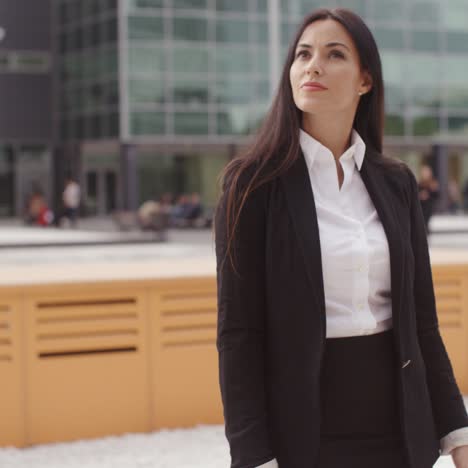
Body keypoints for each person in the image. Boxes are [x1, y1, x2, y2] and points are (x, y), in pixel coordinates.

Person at [213, 8, 468, 468]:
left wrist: (457, 429)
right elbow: (238, 334)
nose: (313, 66)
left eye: (334, 55)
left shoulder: (397, 183)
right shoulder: (251, 186)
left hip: (398, 429)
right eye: (303, 54)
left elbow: (421, 322)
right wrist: (252, 453)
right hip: (301, 433)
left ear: (364, 80)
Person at [418, 164, 439, 233]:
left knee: (425, 223)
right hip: (421, 207)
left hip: (428, 207)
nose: (425, 174)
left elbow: (437, 195)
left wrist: (428, 195)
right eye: (423, 172)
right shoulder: (419, 183)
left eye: (426, 172)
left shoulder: (432, 184)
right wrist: (420, 195)